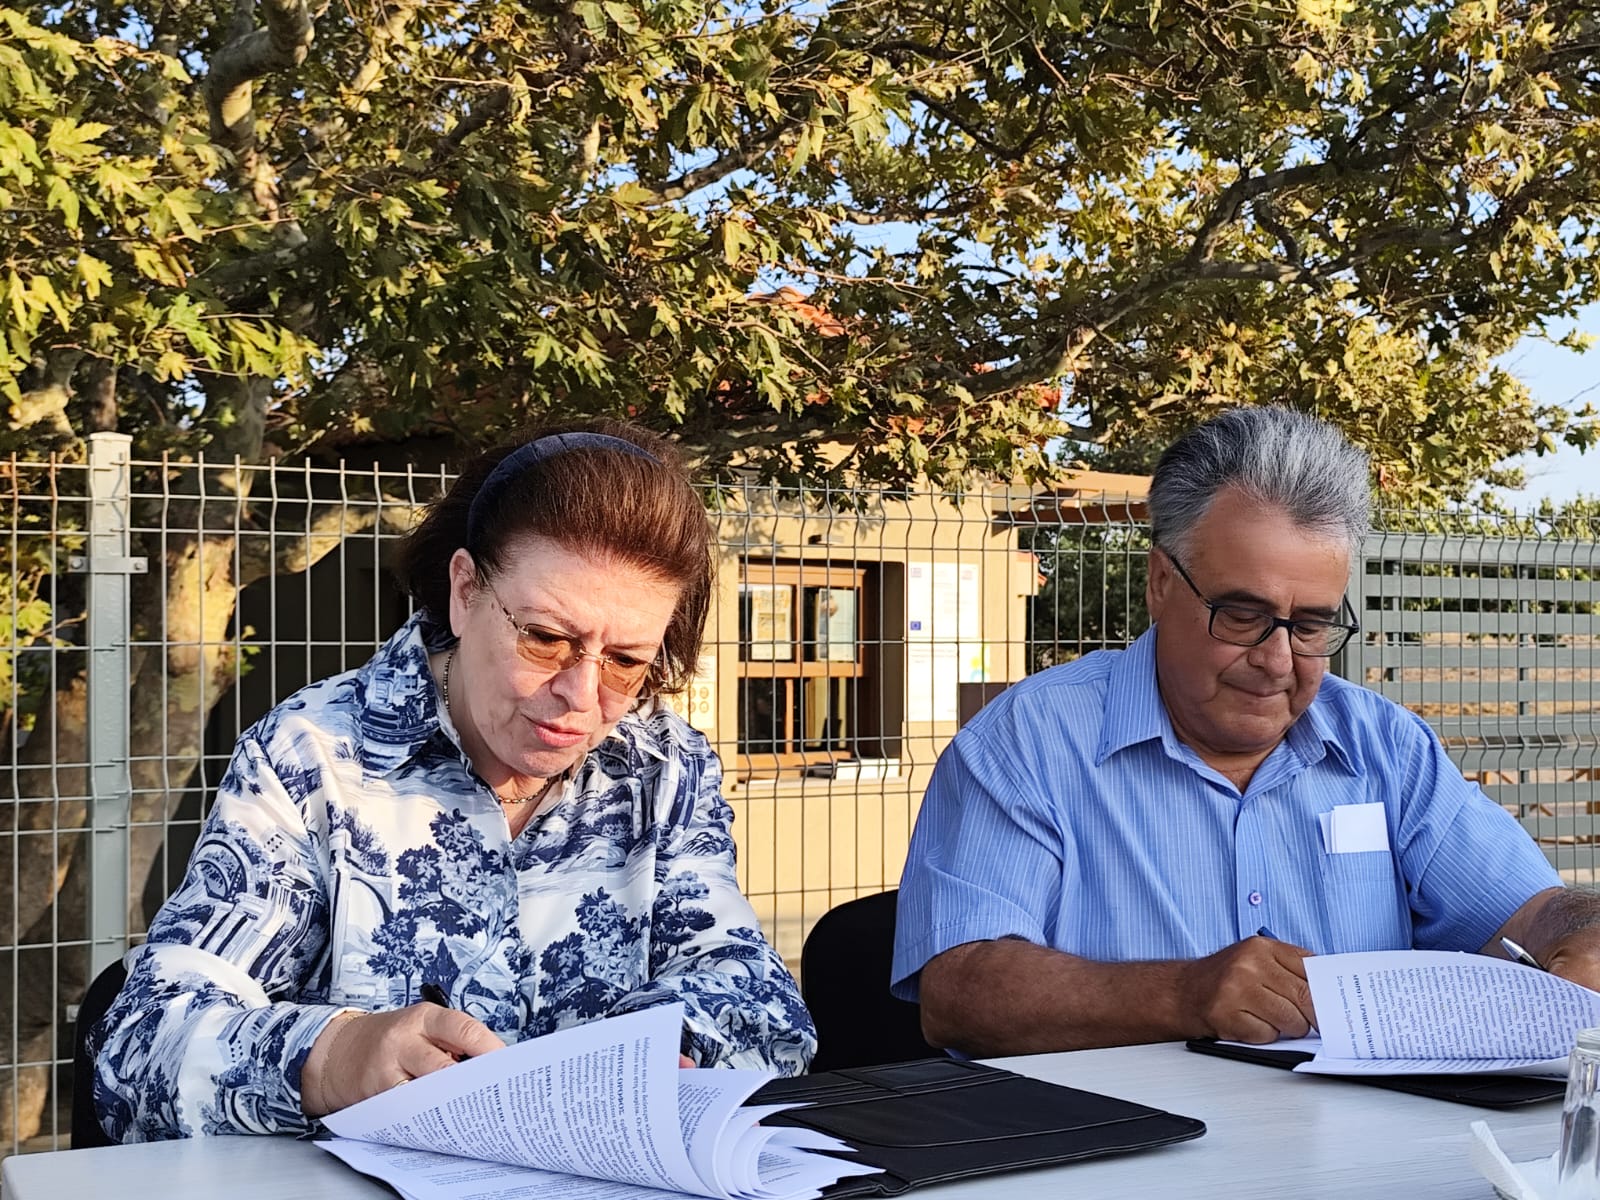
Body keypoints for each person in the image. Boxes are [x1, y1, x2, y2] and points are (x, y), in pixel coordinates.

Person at [90, 421, 816, 1141]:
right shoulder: (313, 758)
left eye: (626, 661)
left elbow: (758, 1002)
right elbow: (141, 1043)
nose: (581, 695)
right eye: (545, 638)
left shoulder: (662, 763)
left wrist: (661, 1057)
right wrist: (332, 1057)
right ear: (464, 590)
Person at [891, 405, 1600, 1056]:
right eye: (1241, 615)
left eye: (1312, 624)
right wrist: (1182, 995)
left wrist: (1580, 935)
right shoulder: (1027, 743)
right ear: (1160, 583)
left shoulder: (1385, 748)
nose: (1277, 660)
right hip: (1110, 1140)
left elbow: (1529, 911)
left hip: (1360, 1138)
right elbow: (960, 991)